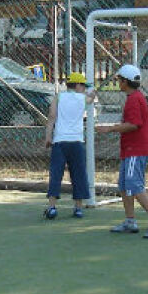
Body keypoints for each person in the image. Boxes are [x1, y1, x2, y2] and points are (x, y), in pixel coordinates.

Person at [96, 64, 148, 239]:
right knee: (124, 185)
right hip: (131, 150)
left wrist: (110, 128)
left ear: (125, 81)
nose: (118, 82)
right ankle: (130, 220)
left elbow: (134, 124)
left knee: (134, 184)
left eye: (119, 79)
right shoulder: (134, 97)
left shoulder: (134, 99)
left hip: (135, 150)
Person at [43, 72, 94, 219]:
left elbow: (52, 116)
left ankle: (52, 207)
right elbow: (91, 98)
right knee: (78, 174)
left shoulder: (58, 97)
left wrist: (48, 136)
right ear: (78, 85)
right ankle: (78, 208)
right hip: (77, 142)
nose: (84, 89)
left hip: (60, 141)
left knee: (56, 174)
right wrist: (93, 92)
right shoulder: (84, 98)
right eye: (83, 86)